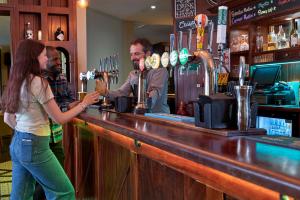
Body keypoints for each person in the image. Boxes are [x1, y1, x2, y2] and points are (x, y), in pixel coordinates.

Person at [1, 39, 99, 200]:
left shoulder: (16, 80)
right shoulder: (39, 82)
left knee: (21, 196)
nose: (46, 59)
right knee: (64, 192)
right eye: (43, 55)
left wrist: (24, 133)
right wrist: (84, 103)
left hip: (17, 143)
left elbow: (7, 119)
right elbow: (59, 118)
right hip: (35, 145)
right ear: (34, 58)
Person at [33, 46, 79, 200]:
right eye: (54, 59)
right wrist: (65, 106)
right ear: (44, 61)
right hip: (41, 137)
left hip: (57, 135)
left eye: (59, 59)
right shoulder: (38, 81)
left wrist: (65, 105)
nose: (59, 63)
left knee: (58, 176)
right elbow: (47, 109)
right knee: (41, 182)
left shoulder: (63, 78)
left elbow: (71, 99)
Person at [96, 38, 170, 113]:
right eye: (131, 54)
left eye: (137, 54)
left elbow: (154, 94)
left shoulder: (160, 71)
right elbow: (121, 93)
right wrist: (105, 92)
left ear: (148, 54)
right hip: (140, 116)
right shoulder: (133, 74)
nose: (132, 58)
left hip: (159, 118)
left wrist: (140, 100)